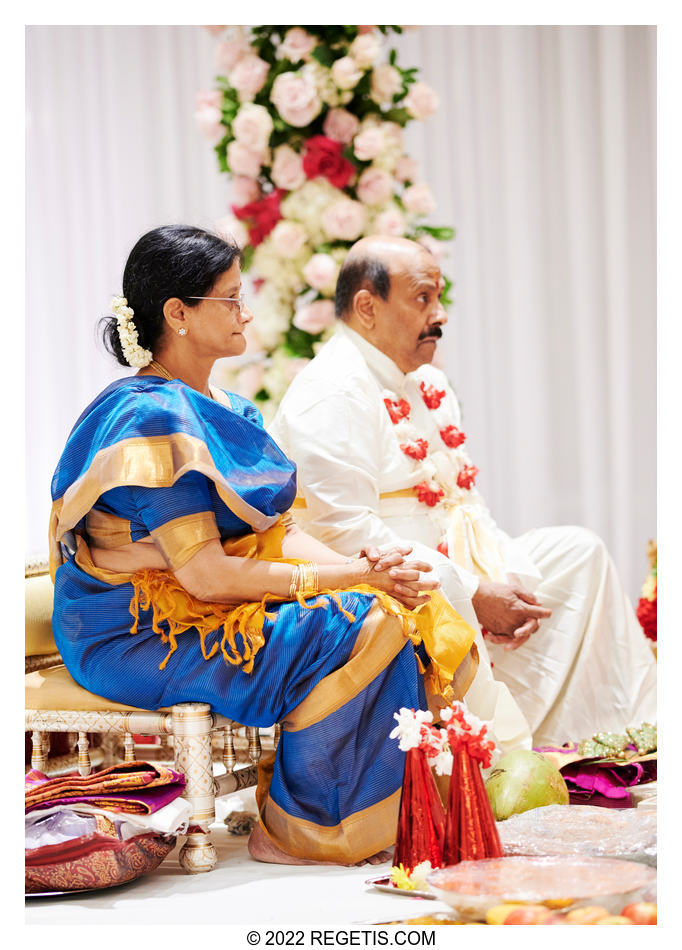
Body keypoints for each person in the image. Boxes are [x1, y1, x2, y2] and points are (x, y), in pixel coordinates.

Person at [49, 225, 479, 868]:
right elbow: (208, 576)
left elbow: (276, 535)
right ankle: (301, 829)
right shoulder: (149, 421)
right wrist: (350, 583)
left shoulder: (228, 409)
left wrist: (369, 567)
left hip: (201, 611)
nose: (245, 312)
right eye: (230, 298)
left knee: (411, 606)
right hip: (135, 633)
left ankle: (359, 813)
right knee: (363, 623)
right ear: (179, 314)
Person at [269, 235, 657, 747]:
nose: (441, 314)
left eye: (439, 297)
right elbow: (346, 533)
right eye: (423, 298)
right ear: (367, 307)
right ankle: (495, 751)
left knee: (578, 554)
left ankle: (612, 737)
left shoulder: (425, 380)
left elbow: (463, 499)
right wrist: (475, 592)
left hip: (460, 565)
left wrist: (509, 580)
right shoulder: (331, 391)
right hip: (393, 586)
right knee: (452, 589)